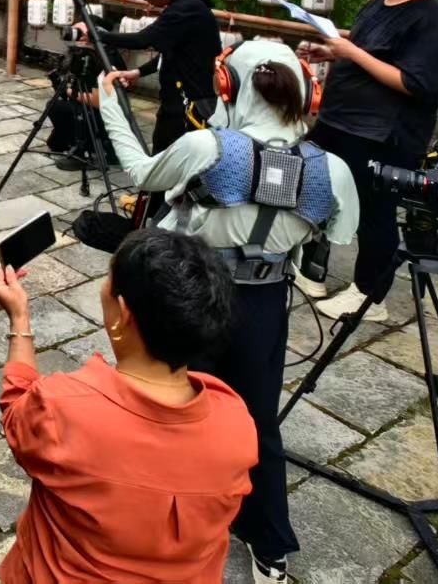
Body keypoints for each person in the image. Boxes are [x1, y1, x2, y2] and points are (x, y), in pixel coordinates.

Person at [96, 37, 359, 584]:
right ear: (308, 92)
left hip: (189, 294)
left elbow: (142, 173)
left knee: (170, 409)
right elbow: (338, 233)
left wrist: (110, 107)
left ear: (226, 85)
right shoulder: (331, 169)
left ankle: (157, 526)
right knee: (257, 422)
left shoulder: (207, 147)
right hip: (266, 302)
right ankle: (270, 547)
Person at [0, 227, 257, 584]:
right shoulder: (236, 422)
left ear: (123, 311)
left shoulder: (63, 408)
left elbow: (17, 410)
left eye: (109, 280)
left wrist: (19, 319)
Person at [303, 0, 438, 323]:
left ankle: (369, 295)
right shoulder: (379, 4)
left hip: (382, 133)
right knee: (313, 188)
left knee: (374, 212)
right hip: (340, 120)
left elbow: (416, 83)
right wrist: (330, 52)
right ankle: (312, 270)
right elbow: (368, 53)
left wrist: (351, 52)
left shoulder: (433, 23)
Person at [68, 0, 221, 165]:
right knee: (164, 149)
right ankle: (157, 185)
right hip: (179, 94)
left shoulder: (186, 9)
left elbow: (143, 39)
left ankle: (161, 186)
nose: (146, 0)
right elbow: (171, 51)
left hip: (191, 98)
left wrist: (98, 36)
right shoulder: (185, 3)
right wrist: (137, 72)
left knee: (173, 155)